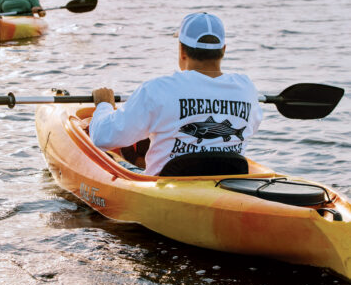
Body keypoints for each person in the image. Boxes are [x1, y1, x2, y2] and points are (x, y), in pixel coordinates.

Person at [89, 12, 262, 175]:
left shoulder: (157, 89)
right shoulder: (246, 87)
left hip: (165, 186)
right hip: (226, 183)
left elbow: (102, 138)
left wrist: (104, 105)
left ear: (182, 51)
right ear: (223, 50)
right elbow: (251, 128)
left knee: (111, 156)